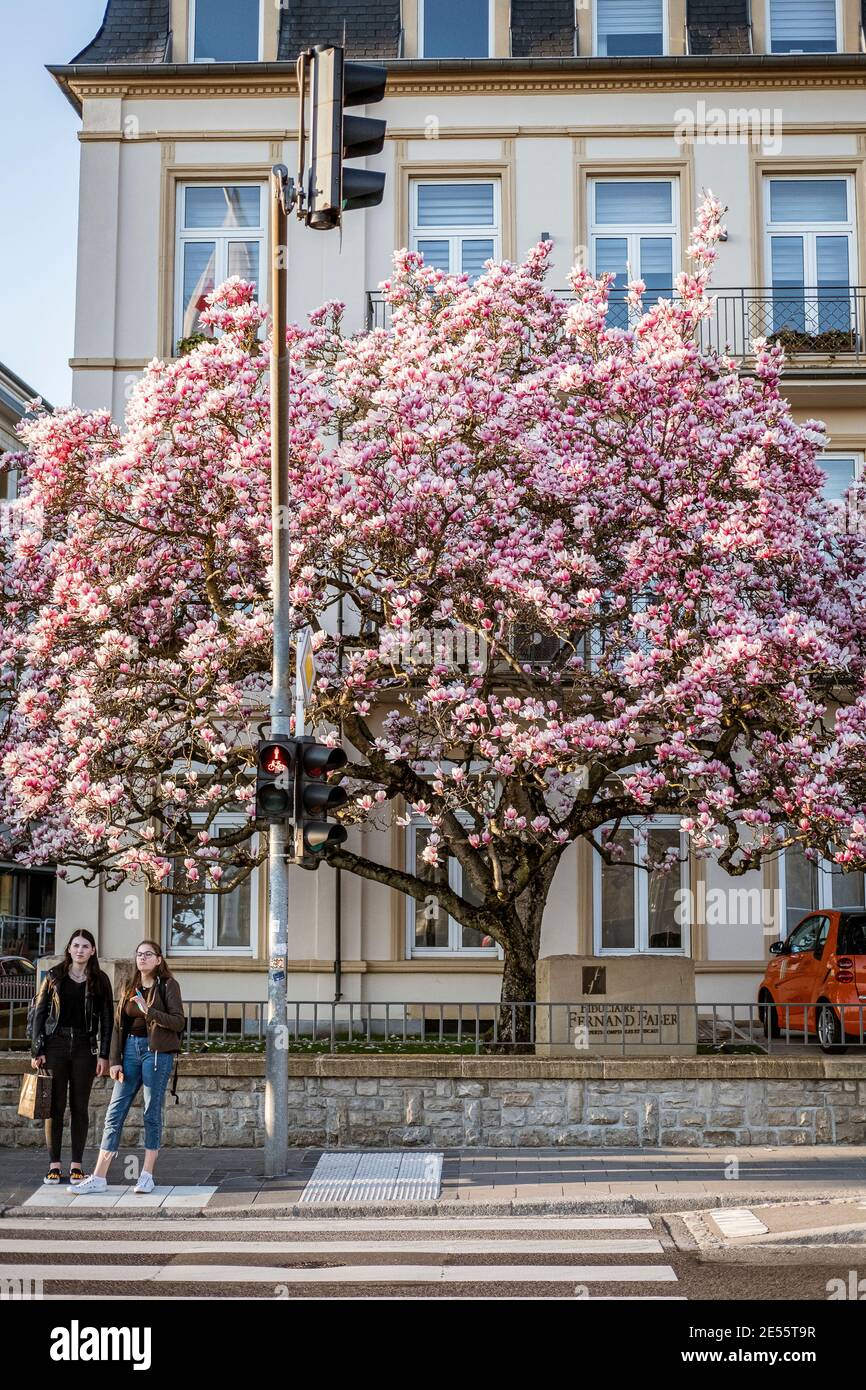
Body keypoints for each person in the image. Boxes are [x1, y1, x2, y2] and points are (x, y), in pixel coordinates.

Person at [74, 941, 185, 1196]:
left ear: (158, 959)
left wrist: (150, 1011)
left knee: (150, 1112)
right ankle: (99, 1177)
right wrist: (114, 1060)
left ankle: (146, 1176)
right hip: (130, 1052)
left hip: (156, 1054)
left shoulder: (168, 985)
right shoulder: (129, 986)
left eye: (148, 954)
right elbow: (116, 1025)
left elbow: (179, 1022)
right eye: (139, 954)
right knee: (115, 1111)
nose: (142, 958)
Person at [30, 930, 113, 1185]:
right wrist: (37, 1050)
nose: (80, 950)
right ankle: (54, 1165)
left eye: (85, 946)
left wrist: (104, 1055)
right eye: (75, 945)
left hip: (84, 1049)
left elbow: (108, 1020)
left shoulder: (99, 980)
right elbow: (40, 1013)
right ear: (69, 949)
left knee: (79, 1107)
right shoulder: (55, 975)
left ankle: (76, 1166)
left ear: (92, 950)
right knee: (54, 1107)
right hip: (55, 1045)